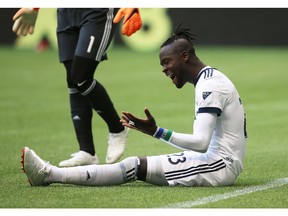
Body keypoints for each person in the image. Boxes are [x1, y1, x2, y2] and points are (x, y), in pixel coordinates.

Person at [21, 25, 247, 187]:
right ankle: (50, 174)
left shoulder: (210, 86)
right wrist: (155, 132)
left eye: (166, 62)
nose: (164, 69)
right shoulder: (210, 79)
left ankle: (48, 175)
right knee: (134, 165)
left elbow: (201, 143)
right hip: (217, 161)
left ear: (185, 57)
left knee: (132, 166)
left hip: (219, 166)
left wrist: (157, 132)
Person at [12, 8, 142, 166]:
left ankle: (117, 129)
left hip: (97, 11)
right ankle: (87, 152)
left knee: (81, 77)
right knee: (73, 80)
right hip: (65, 12)